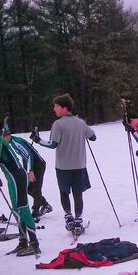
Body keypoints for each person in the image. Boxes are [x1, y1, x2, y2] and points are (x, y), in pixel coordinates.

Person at [31, 94, 96, 235]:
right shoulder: (80, 122)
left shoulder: (58, 124)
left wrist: (37, 140)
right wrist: (81, 125)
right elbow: (93, 137)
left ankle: (69, 217)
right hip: (79, 165)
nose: (54, 109)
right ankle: (78, 220)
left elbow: (52, 144)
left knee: (64, 192)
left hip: (63, 167)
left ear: (64, 108)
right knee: (78, 194)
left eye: (56, 106)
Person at [0, 130, 41, 257]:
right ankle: (23, 241)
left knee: (23, 209)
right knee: (16, 210)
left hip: (17, 177)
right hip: (11, 178)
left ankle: (34, 244)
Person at [4, 127, 52, 220]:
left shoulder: (16, 142)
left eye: (3, 138)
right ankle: (45, 205)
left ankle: (35, 212)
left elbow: (29, 155)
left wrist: (30, 171)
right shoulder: (12, 142)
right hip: (31, 166)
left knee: (36, 188)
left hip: (38, 165)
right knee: (28, 188)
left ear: (7, 136)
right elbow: (24, 155)